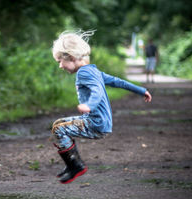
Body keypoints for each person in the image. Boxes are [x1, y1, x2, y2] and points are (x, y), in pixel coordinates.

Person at [51, 30, 152, 184]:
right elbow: (119, 82)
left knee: (58, 129)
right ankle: (72, 164)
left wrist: (89, 105)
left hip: (95, 123)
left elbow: (97, 92)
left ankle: (75, 165)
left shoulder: (84, 73)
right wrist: (141, 90)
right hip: (100, 122)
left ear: (71, 58)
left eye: (60, 61)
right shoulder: (94, 71)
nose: (60, 65)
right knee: (58, 125)